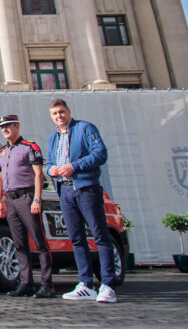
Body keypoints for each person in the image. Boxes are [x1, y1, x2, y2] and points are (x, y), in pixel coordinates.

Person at [45, 98, 117, 303]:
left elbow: (100, 154)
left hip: (86, 188)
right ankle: (86, 283)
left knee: (100, 236)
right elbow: (49, 161)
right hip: (65, 191)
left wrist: (74, 166)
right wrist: (49, 169)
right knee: (76, 239)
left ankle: (108, 284)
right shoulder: (53, 137)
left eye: (61, 112)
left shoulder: (85, 128)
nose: (59, 116)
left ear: (68, 111)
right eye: (55, 114)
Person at [0, 115, 54, 298]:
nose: (5, 130)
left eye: (8, 126)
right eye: (2, 127)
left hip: (26, 197)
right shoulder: (2, 152)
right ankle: (26, 283)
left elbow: (38, 174)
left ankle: (47, 285)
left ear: (17, 126)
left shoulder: (29, 147)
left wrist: (37, 199)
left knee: (39, 242)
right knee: (19, 244)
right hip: (10, 200)